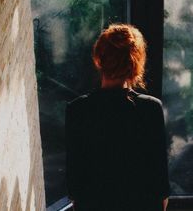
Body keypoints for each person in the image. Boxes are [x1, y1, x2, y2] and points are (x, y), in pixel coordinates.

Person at [65, 24, 170, 211]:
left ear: (99, 59)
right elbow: (160, 185)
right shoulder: (150, 109)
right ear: (135, 63)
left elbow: (75, 185)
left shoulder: (78, 110)